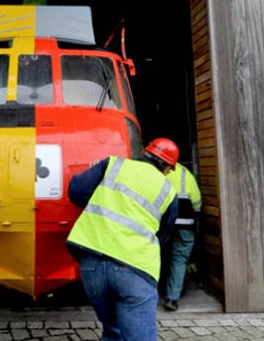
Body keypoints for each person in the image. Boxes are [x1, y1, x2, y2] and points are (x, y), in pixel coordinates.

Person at [66, 138, 180, 341]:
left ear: (145, 152)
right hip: (135, 268)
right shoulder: (168, 191)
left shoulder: (113, 164)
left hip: (92, 265)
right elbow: (163, 235)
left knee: (113, 333)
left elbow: (76, 190)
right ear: (168, 168)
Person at [162, 162, 202, 312]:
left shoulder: (157, 171)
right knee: (179, 260)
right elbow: (197, 202)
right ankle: (172, 298)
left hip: (164, 224)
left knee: (159, 256)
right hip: (185, 224)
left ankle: (150, 294)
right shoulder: (186, 173)